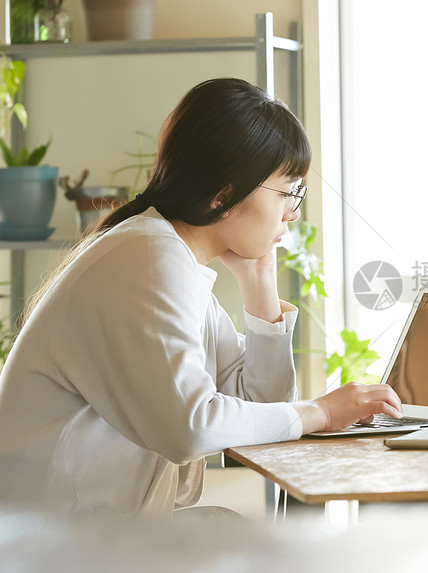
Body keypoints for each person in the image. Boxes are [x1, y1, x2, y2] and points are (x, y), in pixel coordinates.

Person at [0, 78, 402, 517]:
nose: (294, 211)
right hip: (49, 543)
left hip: (93, 534)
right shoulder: (150, 257)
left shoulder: (169, 258)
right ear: (225, 195)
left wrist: (260, 280)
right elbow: (190, 426)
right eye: (288, 192)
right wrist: (321, 412)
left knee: (239, 536)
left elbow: (262, 410)